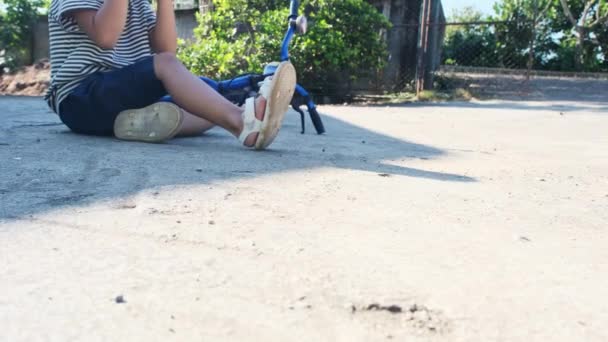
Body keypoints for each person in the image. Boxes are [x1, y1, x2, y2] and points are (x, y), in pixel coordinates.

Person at [44, 0, 296, 150]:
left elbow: (167, 50)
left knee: (210, 99)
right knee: (205, 98)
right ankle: (243, 123)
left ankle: (132, 124)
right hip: (80, 99)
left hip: (119, 102)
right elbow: (106, 37)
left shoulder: (139, 4)